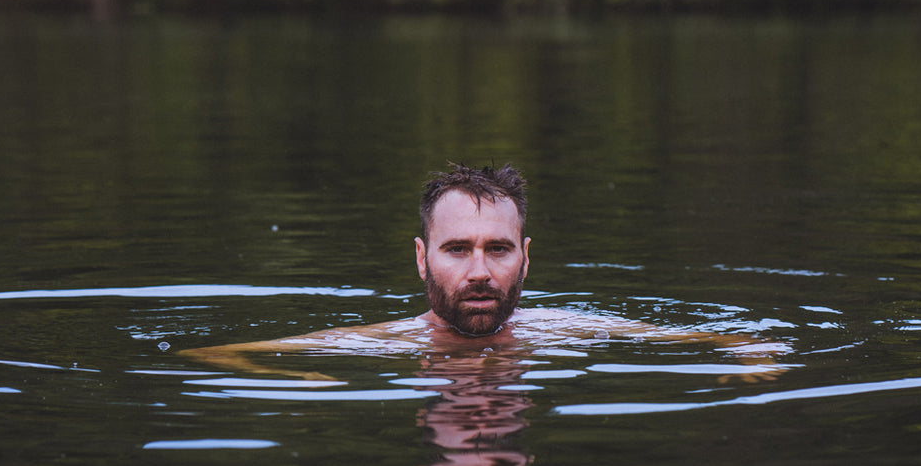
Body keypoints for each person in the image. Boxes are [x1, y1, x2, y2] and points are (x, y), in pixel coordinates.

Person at [179, 163, 785, 380]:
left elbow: (724, 338)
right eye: (456, 249)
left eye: (497, 249)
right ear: (421, 258)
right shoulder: (381, 345)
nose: (478, 271)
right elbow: (213, 354)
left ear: (526, 257)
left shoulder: (562, 330)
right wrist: (290, 378)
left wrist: (752, 351)